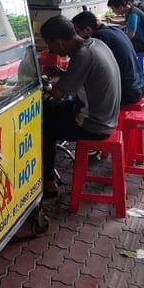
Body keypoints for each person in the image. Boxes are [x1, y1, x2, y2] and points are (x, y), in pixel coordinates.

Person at [39, 16, 121, 198]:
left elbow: (59, 93)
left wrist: (41, 83)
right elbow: (82, 78)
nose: (51, 50)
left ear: (59, 43)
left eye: (50, 45)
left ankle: (48, 182)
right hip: (106, 115)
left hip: (94, 124)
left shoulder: (82, 55)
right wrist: (62, 73)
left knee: (45, 127)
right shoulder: (96, 44)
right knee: (50, 110)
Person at [72, 10, 144, 105]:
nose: (76, 36)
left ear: (88, 30)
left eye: (77, 32)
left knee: (81, 94)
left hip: (128, 92)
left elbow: (89, 69)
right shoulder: (116, 30)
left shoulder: (99, 38)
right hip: (140, 86)